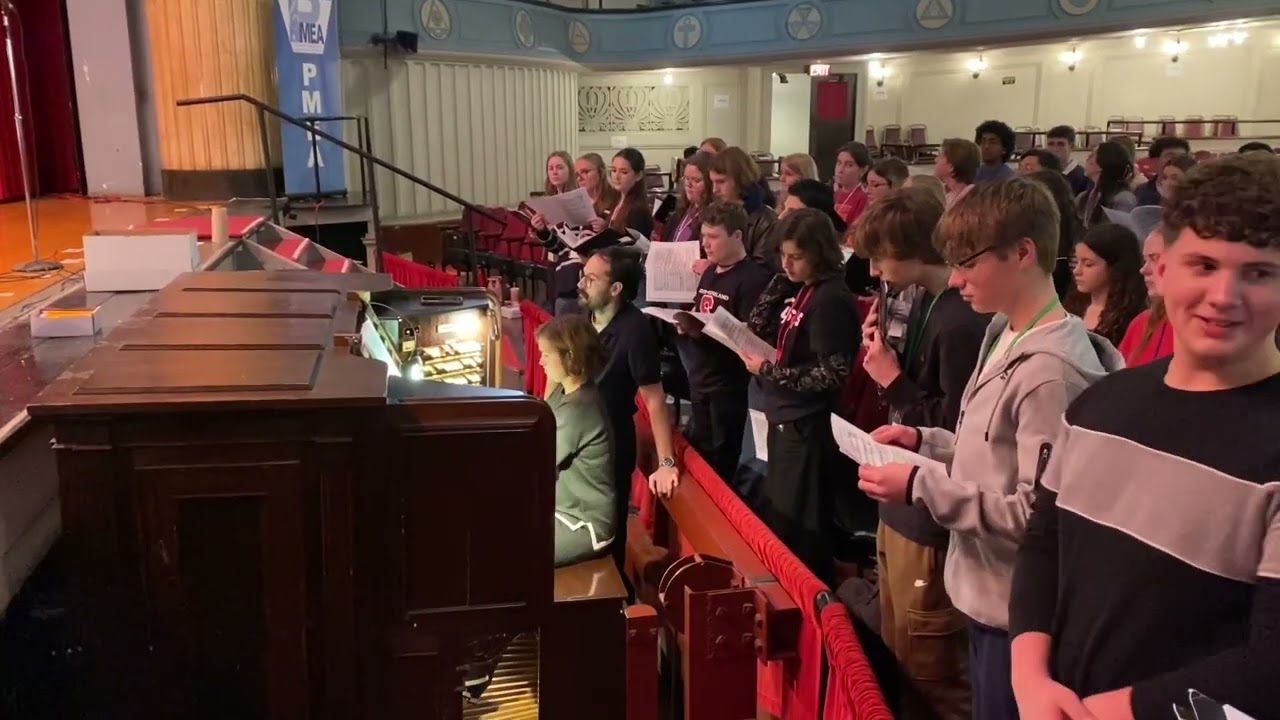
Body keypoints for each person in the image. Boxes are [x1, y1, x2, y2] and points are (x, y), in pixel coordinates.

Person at [1009, 151, 1280, 720]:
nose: (1224, 296)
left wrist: (1103, 711)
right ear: (1160, 271)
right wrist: (1029, 674)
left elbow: (1270, 664)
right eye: (1203, 265)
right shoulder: (1101, 402)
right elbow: (1044, 542)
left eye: (1259, 273)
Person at [857, 178, 1123, 720]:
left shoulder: (1052, 373)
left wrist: (920, 485)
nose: (954, 280)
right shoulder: (1003, 328)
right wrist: (924, 441)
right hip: (982, 589)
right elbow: (986, 448)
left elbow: (1038, 515)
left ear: (1023, 253)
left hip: (1015, 612)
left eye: (968, 264)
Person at [853, 187, 988, 720]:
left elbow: (958, 430)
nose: (873, 268)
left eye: (880, 256)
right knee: (899, 650)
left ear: (913, 251)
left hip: (929, 511)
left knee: (931, 668)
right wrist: (884, 361)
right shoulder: (918, 300)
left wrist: (893, 380)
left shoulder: (959, 321)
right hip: (901, 503)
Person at [741, 208, 863, 582]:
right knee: (781, 514)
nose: (788, 263)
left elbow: (833, 373)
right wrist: (782, 278)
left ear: (820, 253)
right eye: (783, 255)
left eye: (796, 257)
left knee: (800, 524)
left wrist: (768, 371)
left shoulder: (830, 300)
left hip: (807, 422)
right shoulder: (802, 286)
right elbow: (758, 323)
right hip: (783, 414)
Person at [578, 247, 680, 567]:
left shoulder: (635, 330)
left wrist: (666, 462)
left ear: (616, 288)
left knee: (606, 536)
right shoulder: (587, 316)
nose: (582, 283)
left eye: (591, 279)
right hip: (579, 438)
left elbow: (654, 398)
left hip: (610, 444)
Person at [676, 201, 772, 487]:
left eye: (714, 237)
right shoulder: (710, 271)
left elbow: (749, 335)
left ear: (738, 236)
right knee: (702, 451)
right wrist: (687, 324)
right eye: (704, 236)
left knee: (722, 458)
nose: (706, 244)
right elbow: (700, 308)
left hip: (729, 384)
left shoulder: (753, 278)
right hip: (702, 376)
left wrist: (704, 327)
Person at [537, 314, 617, 566]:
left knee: (508, 551)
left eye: (546, 355)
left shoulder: (579, 410)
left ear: (570, 357)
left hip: (586, 525)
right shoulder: (567, 392)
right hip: (564, 510)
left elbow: (533, 461)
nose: (540, 361)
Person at [1064, 223, 1149, 348]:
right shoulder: (1071, 307)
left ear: (1115, 269)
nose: (1077, 271)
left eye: (1088, 264)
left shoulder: (1132, 321)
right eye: (1076, 262)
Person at [1117, 226, 1175, 366]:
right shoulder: (1140, 323)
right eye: (1145, 260)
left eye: (1154, 258)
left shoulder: (1202, 331)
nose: (1143, 270)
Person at [1079, 141, 1138, 227]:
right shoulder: (1084, 196)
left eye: (1091, 155)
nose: (1087, 159)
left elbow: (1122, 233)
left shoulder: (1123, 199)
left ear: (1100, 165)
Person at [1133, 135, 1191, 206]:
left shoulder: (1196, 192)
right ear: (1154, 160)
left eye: (1182, 157)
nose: (1177, 160)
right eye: (1171, 156)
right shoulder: (1141, 192)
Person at [832, 142, 873, 226]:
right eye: (839, 163)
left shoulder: (864, 197)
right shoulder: (834, 193)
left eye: (849, 165)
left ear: (863, 170)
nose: (840, 170)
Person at [1045, 125, 1090, 195]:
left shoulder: (1083, 177)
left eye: (1060, 144)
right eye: (1051, 144)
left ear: (1071, 146)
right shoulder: (1041, 172)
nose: (1055, 149)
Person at [935, 138, 980, 207]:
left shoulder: (971, 196)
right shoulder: (948, 196)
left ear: (951, 167)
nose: (935, 160)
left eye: (940, 156)